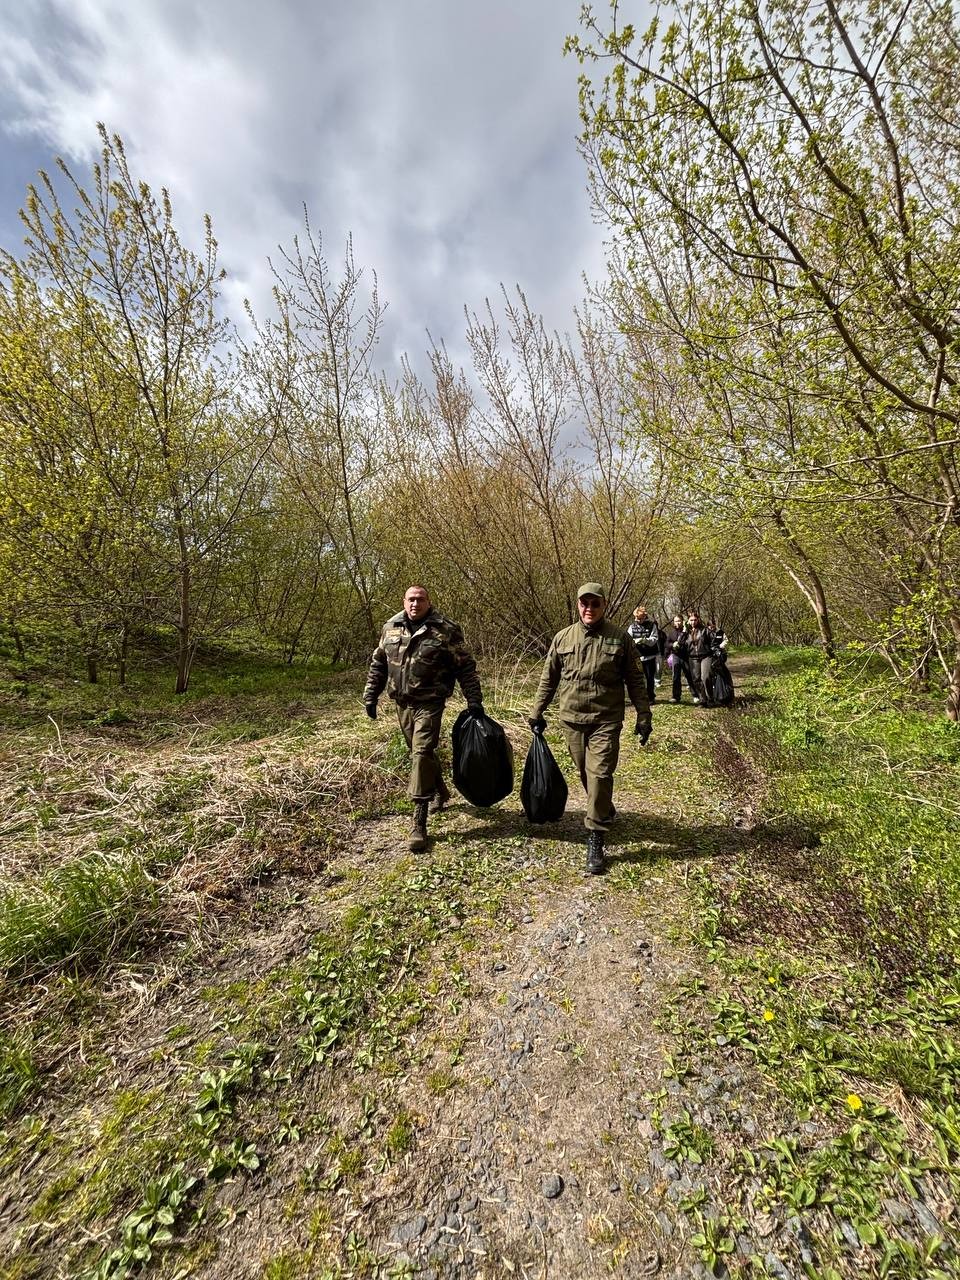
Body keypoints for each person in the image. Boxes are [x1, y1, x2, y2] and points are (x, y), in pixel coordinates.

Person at [528, 583, 652, 875]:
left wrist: (644, 716)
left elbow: (635, 680)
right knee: (585, 772)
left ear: (603, 606)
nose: (589, 609)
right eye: (585, 603)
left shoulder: (620, 639)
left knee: (600, 773)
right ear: (578, 605)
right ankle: (604, 807)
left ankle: (595, 835)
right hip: (571, 719)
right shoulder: (563, 638)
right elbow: (549, 679)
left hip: (606, 720)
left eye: (595, 604)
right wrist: (536, 711)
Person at [364, 585, 483, 852]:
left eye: (420, 599)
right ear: (403, 601)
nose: (415, 604)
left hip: (431, 702)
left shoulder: (446, 629)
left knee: (421, 751)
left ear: (429, 601)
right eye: (410, 600)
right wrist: (370, 696)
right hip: (402, 704)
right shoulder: (391, 627)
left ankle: (419, 821)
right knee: (421, 753)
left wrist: (474, 700)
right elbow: (379, 664)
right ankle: (440, 790)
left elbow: (465, 666)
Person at [673, 611, 715, 706]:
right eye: (691, 620)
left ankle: (710, 698)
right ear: (688, 621)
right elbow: (680, 642)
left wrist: (714, 650)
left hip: (705, 656)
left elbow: (713, 640)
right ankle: (702, 700)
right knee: (696, 679)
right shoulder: (686, 632)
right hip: (692, 657)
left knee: (706, 677)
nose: (693, 622)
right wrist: (684, 630)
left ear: (698, 620)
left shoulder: (704, 630)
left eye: (695, 620)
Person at [626, 605, 660, 702]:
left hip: (650, 656)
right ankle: (638, 697)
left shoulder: (651, 625)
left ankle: (650, 697)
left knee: (650, 679)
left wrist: (645, 640)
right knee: (638, 679)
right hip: (637, 657)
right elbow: (628, 640)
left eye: (640, 618)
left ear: (644, 617)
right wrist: (634, 641)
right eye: (636, 618)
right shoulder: (632, 627)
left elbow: (654, 639)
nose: (638, 620)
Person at [663, 612, 693, 703]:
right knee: (676, 677)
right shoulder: (671, 633)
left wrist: (684, 631)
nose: (677, 623)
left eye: (679, 621)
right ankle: (676, 696)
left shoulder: (688, 631)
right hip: (676, 656)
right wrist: (673, 645)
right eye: (676, 621)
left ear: (682, 621)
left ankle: (695, 695)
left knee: (689, 675)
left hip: (686, 656)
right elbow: (666, 644)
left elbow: (688, 642)